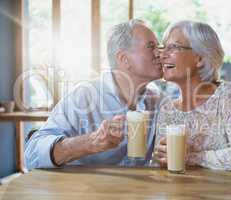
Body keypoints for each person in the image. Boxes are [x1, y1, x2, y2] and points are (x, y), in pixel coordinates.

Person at [25, 19, 162, 169]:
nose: (160, 53)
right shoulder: (83, 96)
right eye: (151, 47)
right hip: (82, 191)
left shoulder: (157, 101)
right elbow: (31, 155)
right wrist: (90, 143)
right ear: (124, 59)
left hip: (135, 192)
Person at [153, 21, 231, 172]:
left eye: (173, 47)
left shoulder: (228, 95)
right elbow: (164, 167)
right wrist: (159, 159)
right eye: (164, 47)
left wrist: (191, 157)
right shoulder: (167, 110)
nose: (162, 55)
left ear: (200, 59)